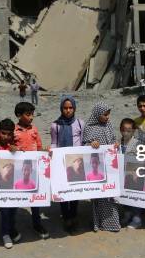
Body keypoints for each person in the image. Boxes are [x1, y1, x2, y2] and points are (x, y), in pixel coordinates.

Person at [82, 101, 121, 232]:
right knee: (98, 196)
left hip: (109, 167)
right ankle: (97, 223)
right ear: (98, 114)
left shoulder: (108, 125)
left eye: (108, 114)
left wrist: (115, 145)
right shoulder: (88, 127)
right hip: (96, 168)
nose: (107, 117)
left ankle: (112, 224)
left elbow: (114, 140)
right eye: (105, 114)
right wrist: (91, 144)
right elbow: (84, 146)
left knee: (110, 195)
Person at [13, 102, 49, 239]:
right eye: (28, 114)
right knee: (15, 199)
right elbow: (8, 147)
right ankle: (12, 227)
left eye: (32, 114)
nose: (31, 117)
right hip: (18, 171)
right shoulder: (14, 130)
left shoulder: (34, 129)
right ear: (18, 115)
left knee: (36, 198)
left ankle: (37, 224)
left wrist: (45, 152)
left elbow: (39, 147)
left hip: (34, 169)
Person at [50, 96, 84, 233]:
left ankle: (74, 214)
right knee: (63, 190)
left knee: (75, 191)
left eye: (71, 108)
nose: (68, 110)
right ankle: (66, 217)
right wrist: (51, 151)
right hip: (61, 162)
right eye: (65, 108)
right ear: (61, 109)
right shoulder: (55, 125)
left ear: (74, 108)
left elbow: (83, 143)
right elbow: (54, 142)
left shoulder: (80, 123)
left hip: (76, 162)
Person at [0, 118, 19, 252]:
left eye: (8, 134)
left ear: (12, 134)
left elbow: (21, 159)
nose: (6, 136)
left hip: (7, 186)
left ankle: (6, 234)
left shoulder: (12, 147)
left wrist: (15, 151)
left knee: (6, 211)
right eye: (3, 133)